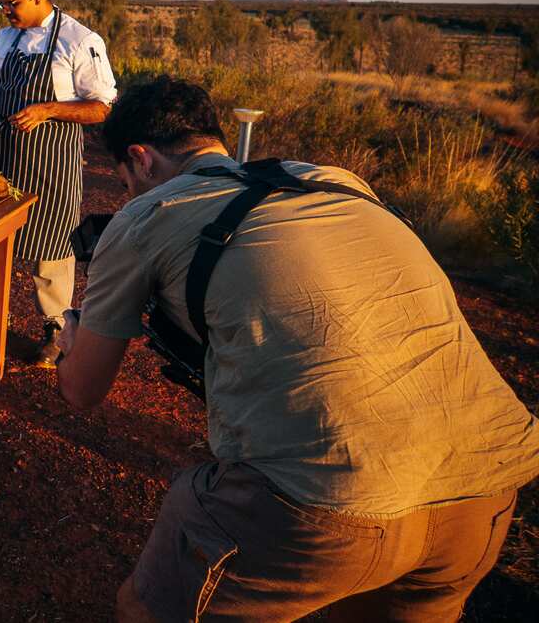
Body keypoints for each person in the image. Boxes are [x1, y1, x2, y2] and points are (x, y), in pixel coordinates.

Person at [58, 76, 539, 622]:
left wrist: (71, 343)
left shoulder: (148, 215)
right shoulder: (337, 182)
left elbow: (81, 389)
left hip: (324, 500)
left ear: (140, 160)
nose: (127, 195)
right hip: (484, 489)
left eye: (123, 181)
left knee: (145, 608)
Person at [0, 0, 116, 365]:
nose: (6, 12)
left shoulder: (79, 40)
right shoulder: (5, 39)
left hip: (54, 161)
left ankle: (55, 328)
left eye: (11, 4)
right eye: (1, 6)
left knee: (53, 242)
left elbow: (102, 107)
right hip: (4, 155)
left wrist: (48, 110)